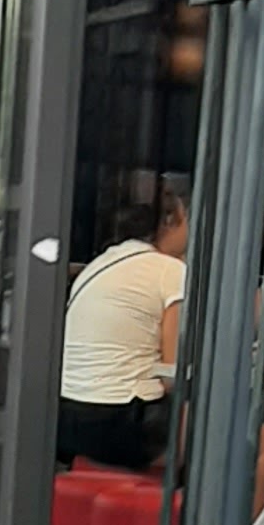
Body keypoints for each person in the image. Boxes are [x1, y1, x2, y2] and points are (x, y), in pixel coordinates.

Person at [55, 192, 186, 470]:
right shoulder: (171, 271)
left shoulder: (100, 264)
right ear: (170, 221)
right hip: (121, 424)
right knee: (220, 418)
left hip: (66, 419)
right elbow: (173, 370)